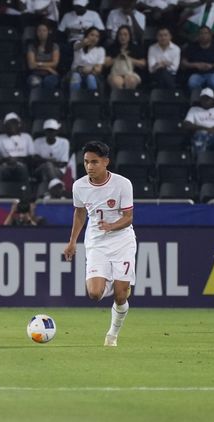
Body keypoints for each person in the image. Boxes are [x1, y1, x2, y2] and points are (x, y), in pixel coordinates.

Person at [64, 141, 135, 347]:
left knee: (121, 296)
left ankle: (112, 335)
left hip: (122, 241)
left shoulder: (123, 184)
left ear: (106, 162)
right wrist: (72, 242)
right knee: (94, 294)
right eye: (86, 162)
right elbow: (79, 213)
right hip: (96, 241)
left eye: (94, 162)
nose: (89, 167)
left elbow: (129, 217)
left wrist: (112, 226)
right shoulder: (79, 186)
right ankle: (112, 280)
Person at [181, 26, 214, 92]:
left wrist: (212, 66)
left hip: (213, 73)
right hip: (197, 73)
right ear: (198, 35)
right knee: (192, 83)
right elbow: (183, 62)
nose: (203, 35)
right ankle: (196, 100)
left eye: (206, 33)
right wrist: (195, 65)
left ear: (210, 35)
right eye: (201, 33)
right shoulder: (192, 46)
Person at [0, 112, 34, 183]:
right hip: (5, 164)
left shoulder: (27, 137)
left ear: (19, 124)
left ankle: (26, 192)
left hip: (22, 164)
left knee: (23, 168)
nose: (11, 126)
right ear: (5, 126)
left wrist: (17, 160)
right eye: (8, 124)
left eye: (14, 123)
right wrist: (5, 160)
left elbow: (31, 157)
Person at [105, 25, 145, 90]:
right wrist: (118, 57)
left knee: (131, 80)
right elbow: (106, 64)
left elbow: (143, 64)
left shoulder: (136, 48)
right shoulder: (112, 48)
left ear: (130, 36)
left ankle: (128, 99)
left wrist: (128, 58)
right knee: (117, 82)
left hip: (131, 73)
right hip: (115, 73)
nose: (123, 37)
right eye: (120, 35)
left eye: (125, 35)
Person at [32, 118, 69, 183]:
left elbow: (63, 163)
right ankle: (56, 187)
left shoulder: (64, 142)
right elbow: (35, 160)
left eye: (53, 130)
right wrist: (49, 162)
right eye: (48, 130)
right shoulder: (37, 141)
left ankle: (48, 190)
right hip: (40, 169)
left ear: (57, 131)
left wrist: (45, 161)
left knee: (46, 172)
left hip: (59, 171)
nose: (50, 133)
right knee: (47, 166)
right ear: (45, 131)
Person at [69, 27, 105, 92]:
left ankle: (93, 100)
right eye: (92, 35)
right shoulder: (78, 44)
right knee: (76, 76)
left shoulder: (100, 50)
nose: (94, 38)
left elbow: (98, 69)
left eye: (97, 36)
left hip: (92, 74)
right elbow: (76, 47)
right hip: (76, 72)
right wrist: (83, 43)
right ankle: (74, 99)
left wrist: (89, 69)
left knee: (90, 78)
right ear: (86, 35)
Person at [26, 22, 60, 90]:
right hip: (36, 73)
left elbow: (55, 64)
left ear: (48, 32)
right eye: (39, 30)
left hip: (50, 74)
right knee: (35, 82)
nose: (41, 33)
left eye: (44, 30)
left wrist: (38, 64)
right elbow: (31, 65)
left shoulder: (54, 46)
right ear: (36, 33)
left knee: (48, 82)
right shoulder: (32, 46)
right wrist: (48, 68)